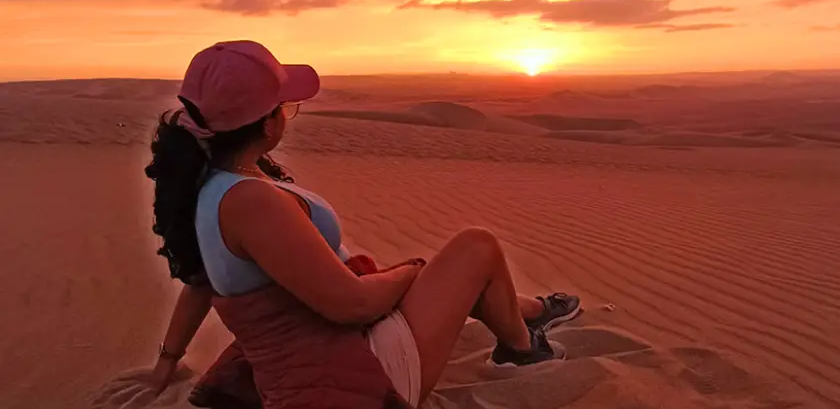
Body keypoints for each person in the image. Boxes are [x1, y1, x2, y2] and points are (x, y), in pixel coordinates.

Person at [144, 40, 582, 407]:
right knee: (476, 247)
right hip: (350, 372)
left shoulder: (213, 181)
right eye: (285, 106)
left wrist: (169, 356)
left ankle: (531, 312)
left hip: (334, 343)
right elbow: (350, 304)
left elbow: (199, 281)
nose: (287, 115)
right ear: (265, 123)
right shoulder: (248, 201)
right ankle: (523, 351)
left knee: (446, 273)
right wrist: (411, 272)